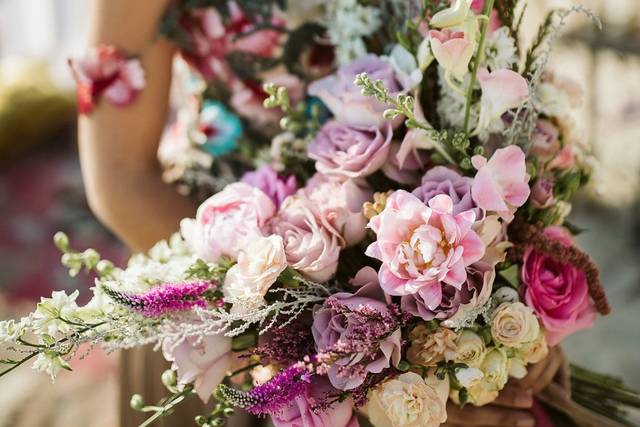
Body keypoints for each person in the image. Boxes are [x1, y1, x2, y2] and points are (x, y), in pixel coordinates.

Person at [79, 1, 566, 426]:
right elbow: (121, 179)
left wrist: (513, 316)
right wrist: (350, 374)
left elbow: (495, 99)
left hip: (449, 282)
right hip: (225, 307)